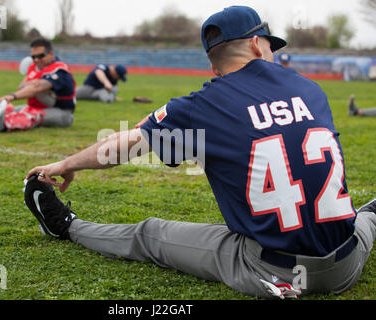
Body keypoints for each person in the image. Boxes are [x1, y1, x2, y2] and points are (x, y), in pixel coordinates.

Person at [23, 6, 375, 299]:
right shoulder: (310, 89)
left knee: (150, 235)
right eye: (271, 46)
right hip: (348, 259)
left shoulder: (203, 106)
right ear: (256, 44)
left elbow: (127, 144)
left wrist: (67, 164)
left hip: (273, 268)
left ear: (213, 66)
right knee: (364, 218)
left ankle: (66, 227)